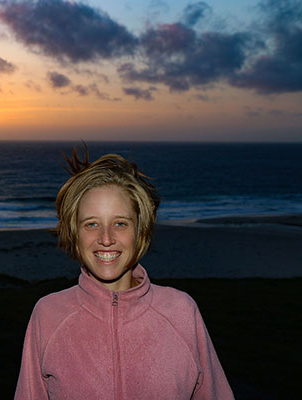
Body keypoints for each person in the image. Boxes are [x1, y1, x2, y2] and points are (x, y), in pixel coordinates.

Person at [15, 149, 234, 399]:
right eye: (92, 224)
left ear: (140, 231)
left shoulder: (181, 311)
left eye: (120, 223)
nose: (106, 238)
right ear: (74, 233)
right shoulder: (48, 314)